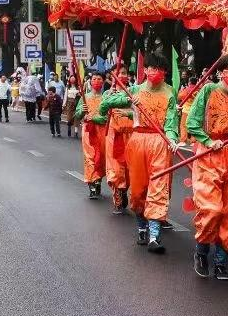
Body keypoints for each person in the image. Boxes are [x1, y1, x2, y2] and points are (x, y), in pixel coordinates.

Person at [94, 54, 178, 250]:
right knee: (139, 191)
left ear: (164, 72)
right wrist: (121, 98)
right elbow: (104, 106)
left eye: (159, 69)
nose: (155, 72)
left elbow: (171, 121)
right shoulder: (134, 90)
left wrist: (172, 138)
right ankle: (142, 227)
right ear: (145, 70)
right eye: (151, 68)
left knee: (158, 187)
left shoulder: (170, 92)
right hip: (138, 140)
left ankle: (154, 236)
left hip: (160, 142)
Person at [184, 54, 228, 281]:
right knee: (211, 208)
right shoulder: (208, 91)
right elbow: (192, 122)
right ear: (220, 72)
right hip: (208, 154)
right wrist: (208, 140)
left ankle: (221, 262)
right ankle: (202, 252)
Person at [103, 65, 135, 214]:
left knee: (129, 169)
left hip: (131, 134)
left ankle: (124, 190)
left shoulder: (133, 91)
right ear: (112, 76)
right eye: (118, 73)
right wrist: (110, 98)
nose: (122, 75)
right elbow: (102, 111)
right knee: (116, 169)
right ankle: (118, 197)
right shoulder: (107, 94)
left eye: (124, 73)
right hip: (114, 135)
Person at [75, 72, 109, 198]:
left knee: (101, 157)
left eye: (99, 79)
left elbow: (107, 117)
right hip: (88, 131)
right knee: (90, 157)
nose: (96, 81)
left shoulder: (106, 98)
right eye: (94, 79)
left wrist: (94, 118)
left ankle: (97, 179)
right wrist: (81, 111)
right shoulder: (85, 97)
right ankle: (92, 185)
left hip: (102, 131)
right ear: (90, 81)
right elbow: (77, 115)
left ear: (103, 81)